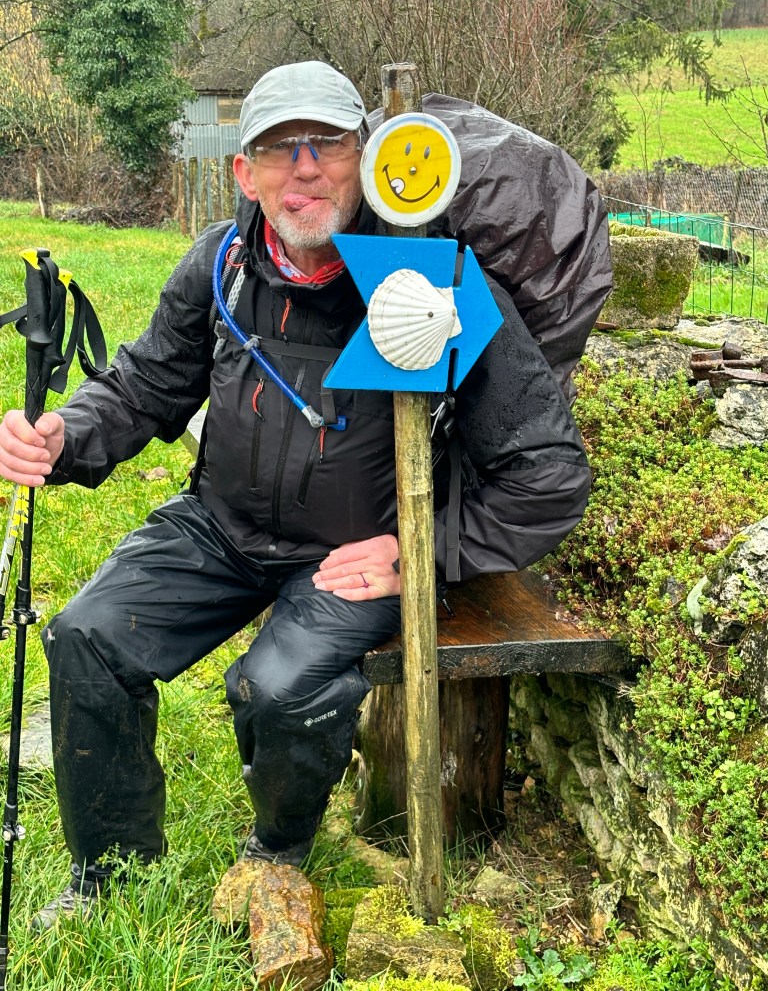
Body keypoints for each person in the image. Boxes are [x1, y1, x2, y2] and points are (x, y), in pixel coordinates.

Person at [0, 61, 592, 929]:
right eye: (280, 149)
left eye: (327, 145)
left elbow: (549, 474)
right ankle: (111, 873)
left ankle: (278, 849)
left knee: (277, 689)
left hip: (353, 556)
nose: (305, 168)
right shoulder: (222, 265)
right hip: (221, 527)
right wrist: (65, 434)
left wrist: (421, 550)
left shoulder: (435, 283)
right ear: (245, 173)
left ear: (367, 156)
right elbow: (144, 385)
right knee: (86, 637)